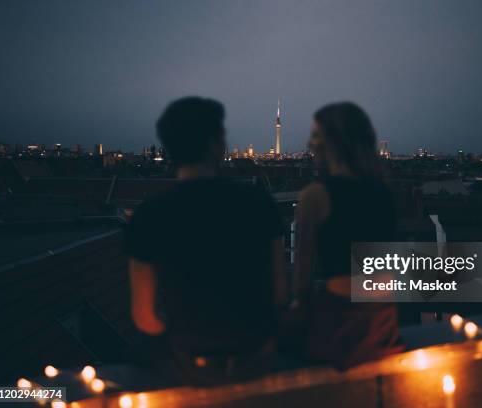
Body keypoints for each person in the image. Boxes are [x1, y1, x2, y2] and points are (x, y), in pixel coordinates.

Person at [125, 96, 287, 385]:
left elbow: (144, 317)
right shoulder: (257, 202)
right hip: (254, 361)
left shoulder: (148, 215)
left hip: (187, 365)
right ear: (217, 144)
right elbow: (279, 293)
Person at [285, 102, 404, 369]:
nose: (310, 142)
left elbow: (301, 288)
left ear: (333, 142)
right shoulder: (383, 193)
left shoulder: (314, 196)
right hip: (383, 325)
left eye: (316, 135)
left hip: (339, 328)